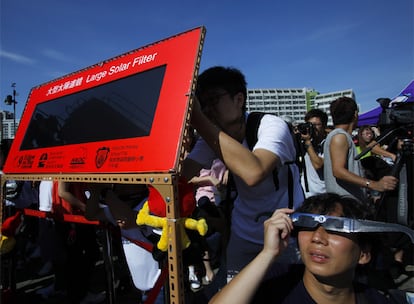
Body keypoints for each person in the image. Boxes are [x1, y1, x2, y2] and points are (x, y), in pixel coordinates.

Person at [182, 66, 304, 283]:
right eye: (202, 103)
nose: (207, 109)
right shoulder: (211, 138)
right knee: (234, 290)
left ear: (239, 99)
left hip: (285, 234)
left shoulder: (270, 125)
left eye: (213, 100)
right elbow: (181, 173)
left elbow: (253, 172)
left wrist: (199, 121)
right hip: (242, 233)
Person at [209, 193, 392, 304]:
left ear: (364, 254)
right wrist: (268, 253)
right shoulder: (273, 284)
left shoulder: (377, 300)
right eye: (308, 226)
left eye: (335, 229)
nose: (318, 238)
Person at [323, 97, 398, 203]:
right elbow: (338, 171)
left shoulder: (341, 136)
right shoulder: (339, 136)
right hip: (345, 205)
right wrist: (373, 184)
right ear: (355, 114)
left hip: (351, 203)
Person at [299, 109, 328, 198]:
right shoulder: (302, 143)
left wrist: (307, 142)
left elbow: (318, 165)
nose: (313, 128)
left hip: (323, 194)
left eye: (317, 125)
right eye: (310, 125)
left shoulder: (328, 143)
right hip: (305, 194)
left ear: (324, 126)